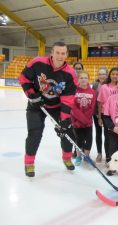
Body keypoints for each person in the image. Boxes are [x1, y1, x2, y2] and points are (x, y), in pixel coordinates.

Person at [19, 41, 78, 177]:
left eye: (63, 53)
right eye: (57, 52)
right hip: (37, 106)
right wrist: (32, 95)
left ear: (67, 55)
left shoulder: (70, 74)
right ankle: (29, 163)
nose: (60, 56)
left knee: (67, 133)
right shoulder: (37, 62)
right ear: (51, 53)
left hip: (57, 107)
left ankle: (67, 158)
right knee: (35, 133)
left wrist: (64, 120)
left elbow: (68, 99)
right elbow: (23, 78)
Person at [71, 71, 96, 166]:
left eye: (85, 78)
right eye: (81, 78)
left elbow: (91, 108)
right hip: (76, 122)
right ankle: (78, 156)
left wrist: (86, 120)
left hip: (88, 122)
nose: (83, 79)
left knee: (89, 139)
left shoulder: (93, 92)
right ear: (78, 79)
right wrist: (80, 120)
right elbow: (73, 108)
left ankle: (86, 156)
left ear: (88, 79)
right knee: (79, 140)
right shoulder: (74, 91)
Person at [97, 67, 118, 165]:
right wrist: (99, 117)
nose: (115, 76)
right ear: (109, 75)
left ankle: (115, 157)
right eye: (113, 74)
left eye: (117, 74)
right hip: (106, 115)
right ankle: (108, 157)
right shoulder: (104, 87)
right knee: (107, 137)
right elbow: (99, 103)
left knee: (116, 137)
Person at [91, 66, 108, 163]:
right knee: (98, 133)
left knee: (107, 135)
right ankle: (99, 153)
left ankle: (108, 154)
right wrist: (96, 114)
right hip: (96, 113)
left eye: (104, 74)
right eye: (100, 74)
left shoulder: (109, 85)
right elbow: (94, 100)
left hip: (106, 114)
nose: (102, 76)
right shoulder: (95, 84)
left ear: (107, 75)